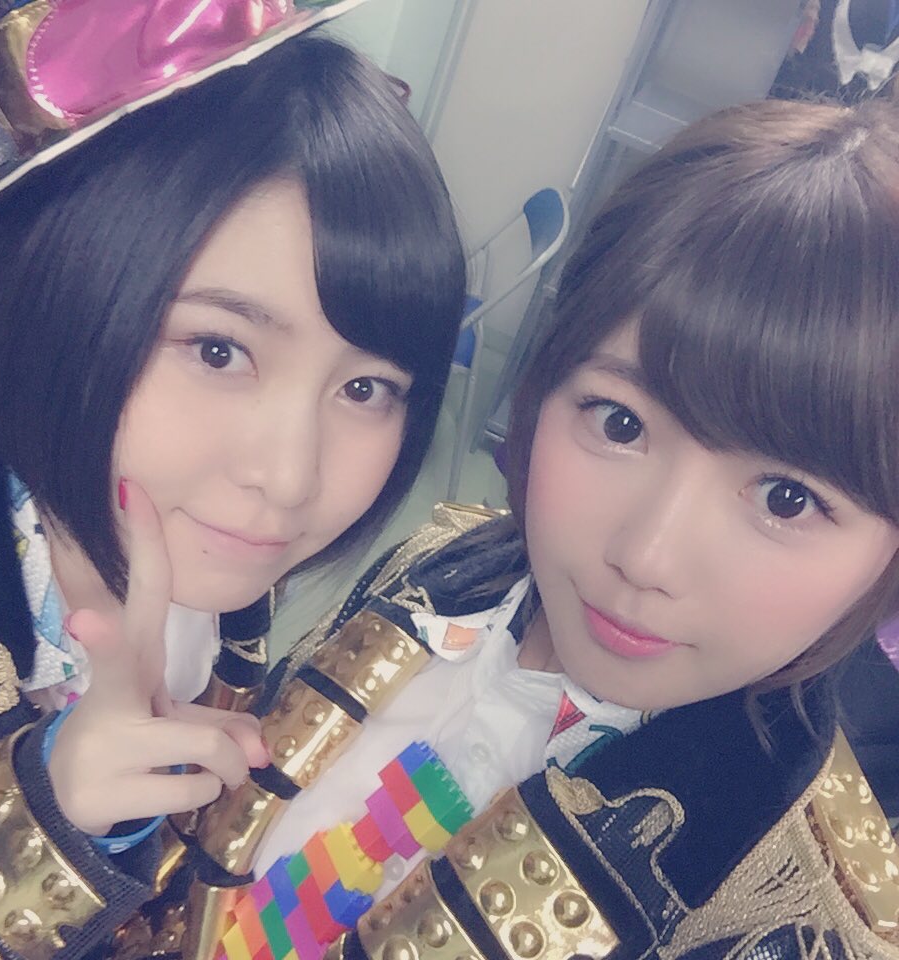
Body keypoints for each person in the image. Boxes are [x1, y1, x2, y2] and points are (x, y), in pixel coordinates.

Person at [243, 97, 899, 960]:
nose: (646, 556)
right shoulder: (438, 567)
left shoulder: (806, 922)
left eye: (786, 498)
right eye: (620, 423)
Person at [0, 8, 465, 959]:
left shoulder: (215, 574)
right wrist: (37, 829)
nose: (287, 478)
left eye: (365, 389)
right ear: (62, 290)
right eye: (219, 350)